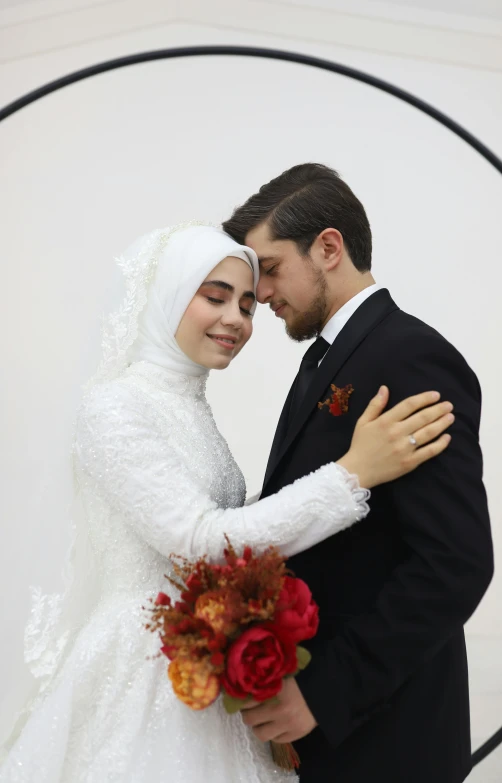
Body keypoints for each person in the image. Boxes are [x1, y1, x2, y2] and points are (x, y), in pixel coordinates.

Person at [0, 224, 452, 783]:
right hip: (146, 672)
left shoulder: (188, 405)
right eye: (214, 297)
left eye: (246, 304)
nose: (237, 319)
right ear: (166, 296)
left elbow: (226, 523)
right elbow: (198, 540)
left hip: (203, 660)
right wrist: (352, 475)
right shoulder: (114, 408)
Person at [223, 164, 494, 783]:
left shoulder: (411, 357)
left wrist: (323, 692)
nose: (259, 295)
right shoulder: (331, 353)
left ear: (327, 247)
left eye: (270, 267)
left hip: (388, 737)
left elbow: (455, 563)